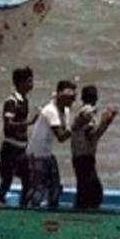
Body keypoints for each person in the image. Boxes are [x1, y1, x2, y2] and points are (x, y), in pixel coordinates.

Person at [23, 80, 77, 209]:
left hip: (47, 153)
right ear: (58, 94)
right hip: (36, 154)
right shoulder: (50, 110)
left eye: (73, 98)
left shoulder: (66, 111)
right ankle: (28, 211)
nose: (71, 100)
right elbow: (61, 136)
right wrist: (78, 125)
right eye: (68, 97)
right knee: (38, 189)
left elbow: (67, 130)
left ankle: (52, 213)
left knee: (55, 187)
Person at [70, 85, 119, 210]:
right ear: (96, 98)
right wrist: (105, 121)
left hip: (81, 156)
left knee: (85, 191)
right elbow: (92, 135)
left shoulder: (83, 111)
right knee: (93, 193)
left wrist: (106, 122)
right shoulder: (88, 112)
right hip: (84, 157)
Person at [0, 66, 36, 203]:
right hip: (10, 150)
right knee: (6, 181)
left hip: (21, 149)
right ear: (20, 83)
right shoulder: (11, 102)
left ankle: (23, 207)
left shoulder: (24, 101)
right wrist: (28, 123)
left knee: (28, 180)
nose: (32, 84)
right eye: (29, 81)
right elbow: (8, 123)